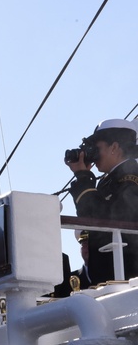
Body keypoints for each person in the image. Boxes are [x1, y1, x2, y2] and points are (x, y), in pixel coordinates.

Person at [66, 118, 138, 285]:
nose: (93, 155)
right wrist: (82, 176)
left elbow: (105, 217)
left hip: (127, 273)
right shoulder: (111, 180)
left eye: (96, 149)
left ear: (114, 147)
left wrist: (83, 177)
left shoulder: (131, 177)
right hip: (112, 273)